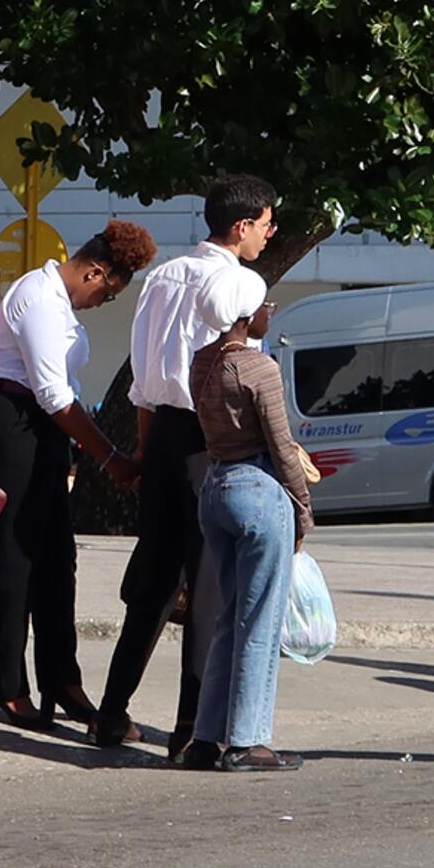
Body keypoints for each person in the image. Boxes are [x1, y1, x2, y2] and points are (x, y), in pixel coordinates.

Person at [97, 175, 279, 758]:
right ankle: (191, 728)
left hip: (167, 432)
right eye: (267, 224)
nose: (270, 234)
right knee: (209, 588)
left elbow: (144, 383)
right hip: (214, 437)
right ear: (243, 225)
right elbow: (244, 377)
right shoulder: (241, 284)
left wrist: (149, 453)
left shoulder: (163, 277)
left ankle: (111, 711)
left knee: (153, 579)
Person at [0, 220, 156, 730]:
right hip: (13, 419)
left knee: (57, 560)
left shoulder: (59, 304)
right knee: (17, 556)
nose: (103, 302)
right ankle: (7, 686)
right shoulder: (38, 296)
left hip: (42, 427)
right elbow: (53, 393)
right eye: (110, 293)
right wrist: (111, 456)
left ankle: (61, 679)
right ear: (95, 272)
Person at [178, 266, 310, 772]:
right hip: (259, 491)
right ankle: (248, 739)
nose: (270, 312)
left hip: (215, 488)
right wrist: (303, 510)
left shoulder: (201, 364)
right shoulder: (259, 369)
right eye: (265, 305)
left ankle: (207, 738)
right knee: (259, 619)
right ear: (246, 314)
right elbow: (282, 446)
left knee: (229, 618)